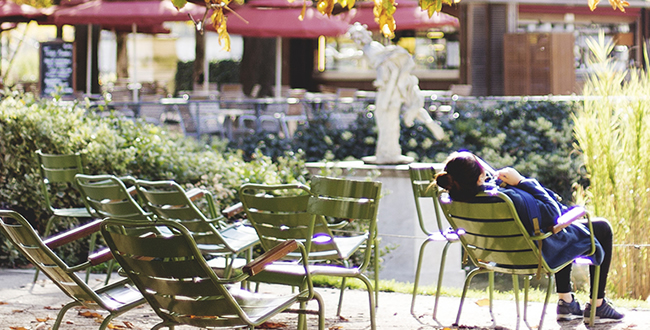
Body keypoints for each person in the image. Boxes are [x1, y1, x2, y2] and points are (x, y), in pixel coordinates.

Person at [433, 151, 624, 323]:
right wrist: (522, 181)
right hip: (538, 254)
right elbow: (555, 215)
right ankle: (597, 305)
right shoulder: (508, 198)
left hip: (500, 257)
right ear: (481, 176)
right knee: (601, 228)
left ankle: (566, 302)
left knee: (556, 232)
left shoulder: (458, 200)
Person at [343, 23, 444, 164]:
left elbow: (388, 68)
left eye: (358, 35)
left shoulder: (370, 49)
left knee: (386, 117)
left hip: (390, 88)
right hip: (390, 87)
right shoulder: (372, 48)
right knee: (386, 118)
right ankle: (387, 152)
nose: (357, 39)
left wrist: (386, 88)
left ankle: (388, 153)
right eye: (354, 37)